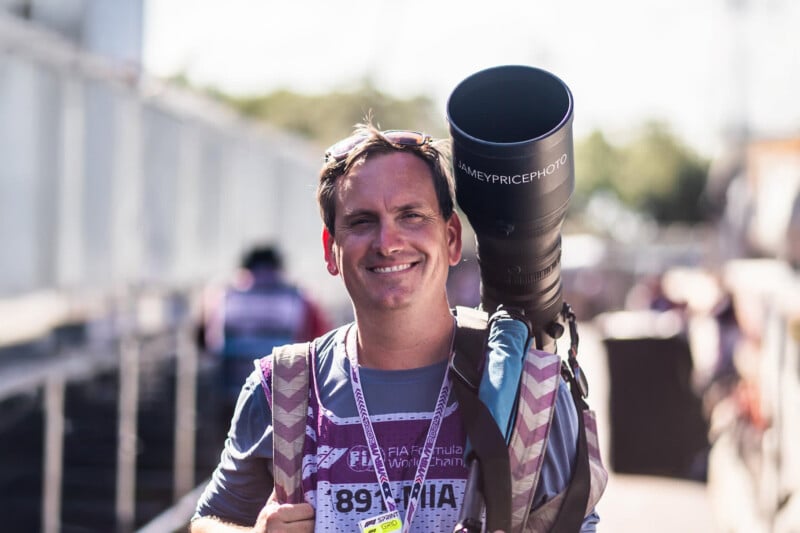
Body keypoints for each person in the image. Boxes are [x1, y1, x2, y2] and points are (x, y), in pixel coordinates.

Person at [191, 123, 601, 532]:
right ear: (330, 251)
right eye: (362, 221)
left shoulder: (529, 391)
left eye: (412, 215)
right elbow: (206, 522)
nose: (387, 242)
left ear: (452, 238)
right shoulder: (283, 387)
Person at [202, 245, 329, 414]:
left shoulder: (224, 296)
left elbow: (207, 341)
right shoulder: (300, 297)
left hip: (232, 393)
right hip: (285, 395)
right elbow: (321, 343)